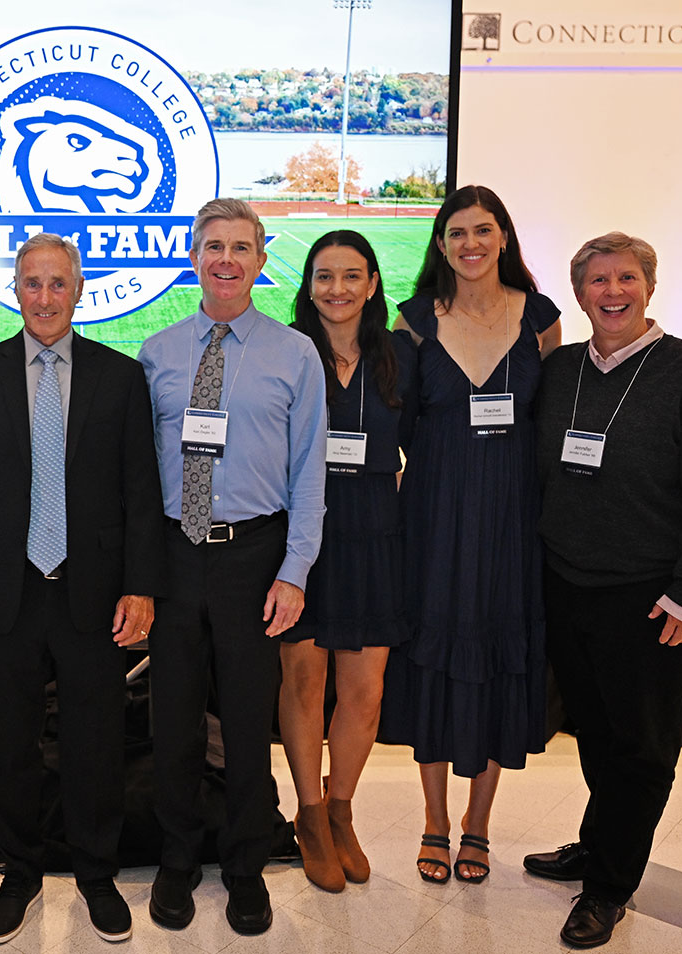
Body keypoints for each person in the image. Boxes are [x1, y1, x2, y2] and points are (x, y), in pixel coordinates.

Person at [0, 233, 165, 944]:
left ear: (78, 290)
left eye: (56, 284)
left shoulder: (119, 377)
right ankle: (19, 870)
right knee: (8, 741)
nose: (43, 297)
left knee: (95, 738)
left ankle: (97, 873)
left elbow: (140, 491)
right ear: (16, 289)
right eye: (31, 284)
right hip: (7, 591)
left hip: (92, 593)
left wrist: (141, 588)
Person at [527, 232, 682, 947]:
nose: (611, 291)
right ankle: (600, 841)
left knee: (643, 747)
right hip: (569, 585)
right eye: (597, 280)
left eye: (625, 278)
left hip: (651, 598)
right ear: (581, 292)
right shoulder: (560, 370)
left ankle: (609, 886)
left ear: (649, 287)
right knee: (596, 732)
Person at [139, 198, 328, 934]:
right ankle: (179, 861)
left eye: (241, 247)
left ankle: (246, 866)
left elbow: (311, 468)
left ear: (260, 258)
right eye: (213, 246)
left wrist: (295, 569)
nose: (226, 259)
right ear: (193, 256)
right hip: (175, 554)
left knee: (250, 723)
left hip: (255, 556)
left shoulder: (295, 354)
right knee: (174, 722)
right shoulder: (158, 352)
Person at [381, 185, 562, 886]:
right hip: (434, 514)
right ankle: (432, 820)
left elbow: (550, 426)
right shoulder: (415, 320)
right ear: (441, 244)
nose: (470, 244)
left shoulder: (542, 320)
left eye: (483, 230)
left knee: (496, 659)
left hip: (514, 517)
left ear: (504, 237)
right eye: (456, 233)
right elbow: (393, 427)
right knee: (433, 657)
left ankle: (477, 826)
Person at [281, 230, 414, 891]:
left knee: (364, 693)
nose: (338, 288)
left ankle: (341, 810)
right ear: (308, 284)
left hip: (374, 537)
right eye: (325, 276)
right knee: (305, 685)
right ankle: (307, 815)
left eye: (351, 275)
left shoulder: (400, 358)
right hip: (302, 539)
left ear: (371, 284)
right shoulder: (285, 351)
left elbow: (422, 448)